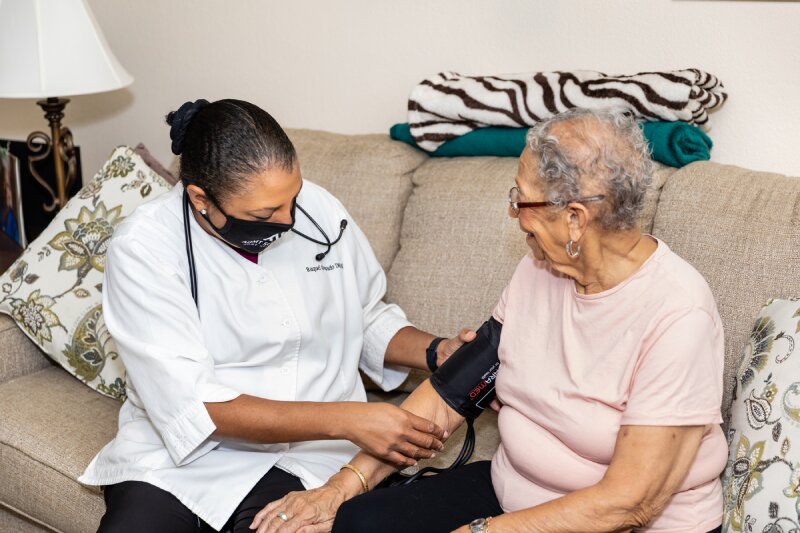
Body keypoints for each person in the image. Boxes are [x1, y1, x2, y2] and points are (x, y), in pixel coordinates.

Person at [250, 108, 727, 533]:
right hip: (513, 490)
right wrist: (340, 487)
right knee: (360, 522)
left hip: (606, 520)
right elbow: (454, 391)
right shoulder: (540, 267)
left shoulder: (678, 314)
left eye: (521, 200)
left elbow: (629, 503)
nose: (512, 212)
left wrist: (484, 532)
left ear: (576, 219)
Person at [79, 99, 474, 533]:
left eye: (293, 199)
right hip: (182, 460)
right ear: (200, 199)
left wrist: (438, 351)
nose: (288, 221)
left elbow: (364, 318)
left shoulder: (319, 210)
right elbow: (199, 408)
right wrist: (350, 419)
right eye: (264, 215)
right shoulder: (145, 246)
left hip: (311, 455)